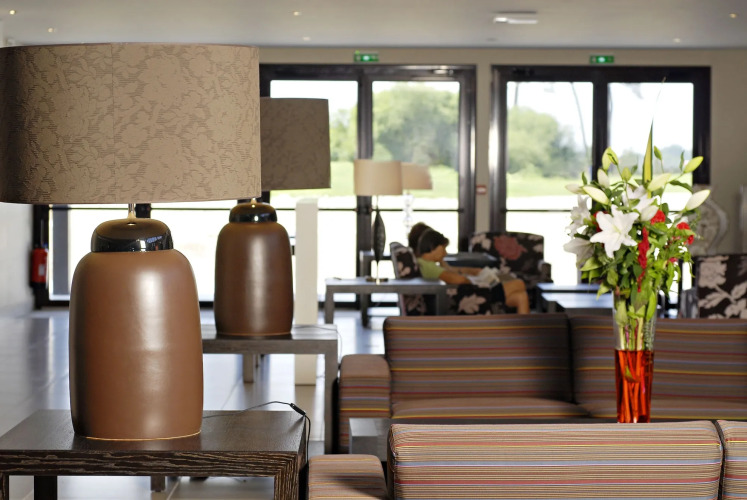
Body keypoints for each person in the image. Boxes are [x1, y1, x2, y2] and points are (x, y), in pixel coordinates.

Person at [415, 227, 530, 314]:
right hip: (476, 293)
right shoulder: (429, 266)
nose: (445, 253)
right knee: (519, 284)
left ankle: (523, 335)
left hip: (472, 292)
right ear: (433, 247)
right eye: (443, 249)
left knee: (521, 296)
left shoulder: (427, 263)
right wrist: (476, 280)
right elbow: (457, 279)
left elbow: (451, 272)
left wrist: (443, 263)